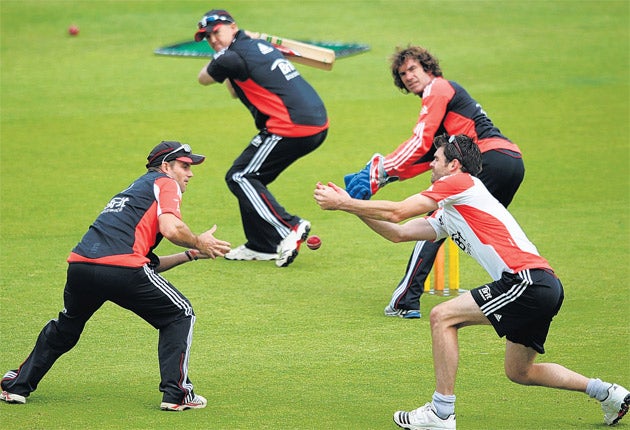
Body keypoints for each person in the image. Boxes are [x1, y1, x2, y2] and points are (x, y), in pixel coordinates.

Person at [314, 134, 629, 429]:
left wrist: (343, 203)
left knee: (442, 316)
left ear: (453, 165)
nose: (430, 165)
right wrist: (353, 208)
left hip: (525, 281)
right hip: (542, 285)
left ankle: (441, 412)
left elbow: (398, 211)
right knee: (519, 372)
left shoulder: (459, 182)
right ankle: (609, 394)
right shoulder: (451, 209)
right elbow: (399, 233)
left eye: (435, 159)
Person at [0, 141, 232, 411]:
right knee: (180, 314)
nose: (190, 173)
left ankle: (16, 387)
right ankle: (177, 394)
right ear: (166, 166)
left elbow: (142, 264)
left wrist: (190, 254)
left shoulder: (131, 194)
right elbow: (171, 229)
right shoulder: (164, 183)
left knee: (67, 326)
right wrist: (199, 242)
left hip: (82, 266)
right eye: (184, 166)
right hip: (121, 269)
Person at [343, 46, 524, 318]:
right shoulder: (445, 106)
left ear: (428, 68)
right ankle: (516, 289)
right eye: (402, 74)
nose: (408, 76)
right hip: (511, 161)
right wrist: (382, 178)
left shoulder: (437, 89)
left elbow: (420, 141)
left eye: (413, 69)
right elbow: (429, 159)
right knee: (488, 230)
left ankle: (405, 299)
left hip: (488, 159)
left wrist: (377, 172)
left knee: (435, 224)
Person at [194, 9, 329, 267]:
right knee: (248, 177)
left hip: (290, 125)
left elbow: (203, 79)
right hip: (315, 122)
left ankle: (290, 226)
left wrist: (219, 58)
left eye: (216, 33)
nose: (212, 40)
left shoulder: (229, 56)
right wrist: (224, 58)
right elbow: (236, 91)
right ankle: (262, 244)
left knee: (240, 176)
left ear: (232, 27)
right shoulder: (257, 45)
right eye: (207, 37)